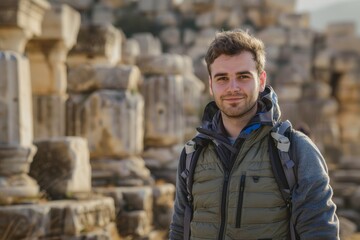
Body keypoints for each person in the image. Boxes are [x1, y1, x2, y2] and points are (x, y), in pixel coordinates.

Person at [169, 29, 339, 239]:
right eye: (222, 78)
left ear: (261, 80)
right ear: (211, 85)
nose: (233, 87)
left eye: (243, 76)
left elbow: (320, 231)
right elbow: (179, 228)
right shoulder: (192, 154)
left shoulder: (296, 150)